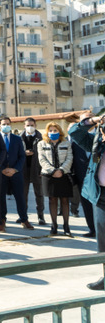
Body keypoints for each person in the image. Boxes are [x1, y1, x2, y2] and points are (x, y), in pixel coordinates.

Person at [69, 114, 105, 290]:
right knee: (103, 239)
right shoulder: (96, 142)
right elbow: (74, 132)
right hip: (100, 195)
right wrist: (91, 121)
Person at [38, 122, 73, 236]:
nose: (53, 132)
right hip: (49, 175)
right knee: (52, 200)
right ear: (47, 132)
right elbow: (42, 160)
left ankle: (66, 226)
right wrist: (52, 171)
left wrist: (61, 170)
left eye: (55, 130)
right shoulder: (41, 143)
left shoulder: (66, 143)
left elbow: (69, 158)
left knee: (64, 200)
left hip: (64, 175)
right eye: (51, 130)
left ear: (60, 132)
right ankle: (54, 225)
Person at [0, 117, 33, 229]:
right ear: (0, 126)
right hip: (1, 173)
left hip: (16, 173)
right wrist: (2, 169)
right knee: (0, 197)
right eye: (4, 124)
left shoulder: (17, 139)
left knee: (20, 197)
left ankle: (24, 219)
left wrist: (14, 169)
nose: (6, 125)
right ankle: (2, 219)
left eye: (8, 124)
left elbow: (22, 156)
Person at [68, 112, 96, 237]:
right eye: (85, 120)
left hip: (99, 177)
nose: (88, 121)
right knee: (86, 204)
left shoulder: (100, 135)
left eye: (90, 118)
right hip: (83, 176)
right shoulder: (76, 138)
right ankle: (92, 229)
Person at [20, 117, 46, 225]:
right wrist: (24, 153)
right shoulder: (19, 138)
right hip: (23, 169)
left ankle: (41, 216)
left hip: (37, 169)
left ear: (35, 125)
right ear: (24, 126)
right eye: (28, 125)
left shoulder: (41, 138)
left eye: (32, 125)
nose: (30, 127)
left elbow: (45, 154)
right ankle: (23, 216)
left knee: (39, 194)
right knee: (23, 194)